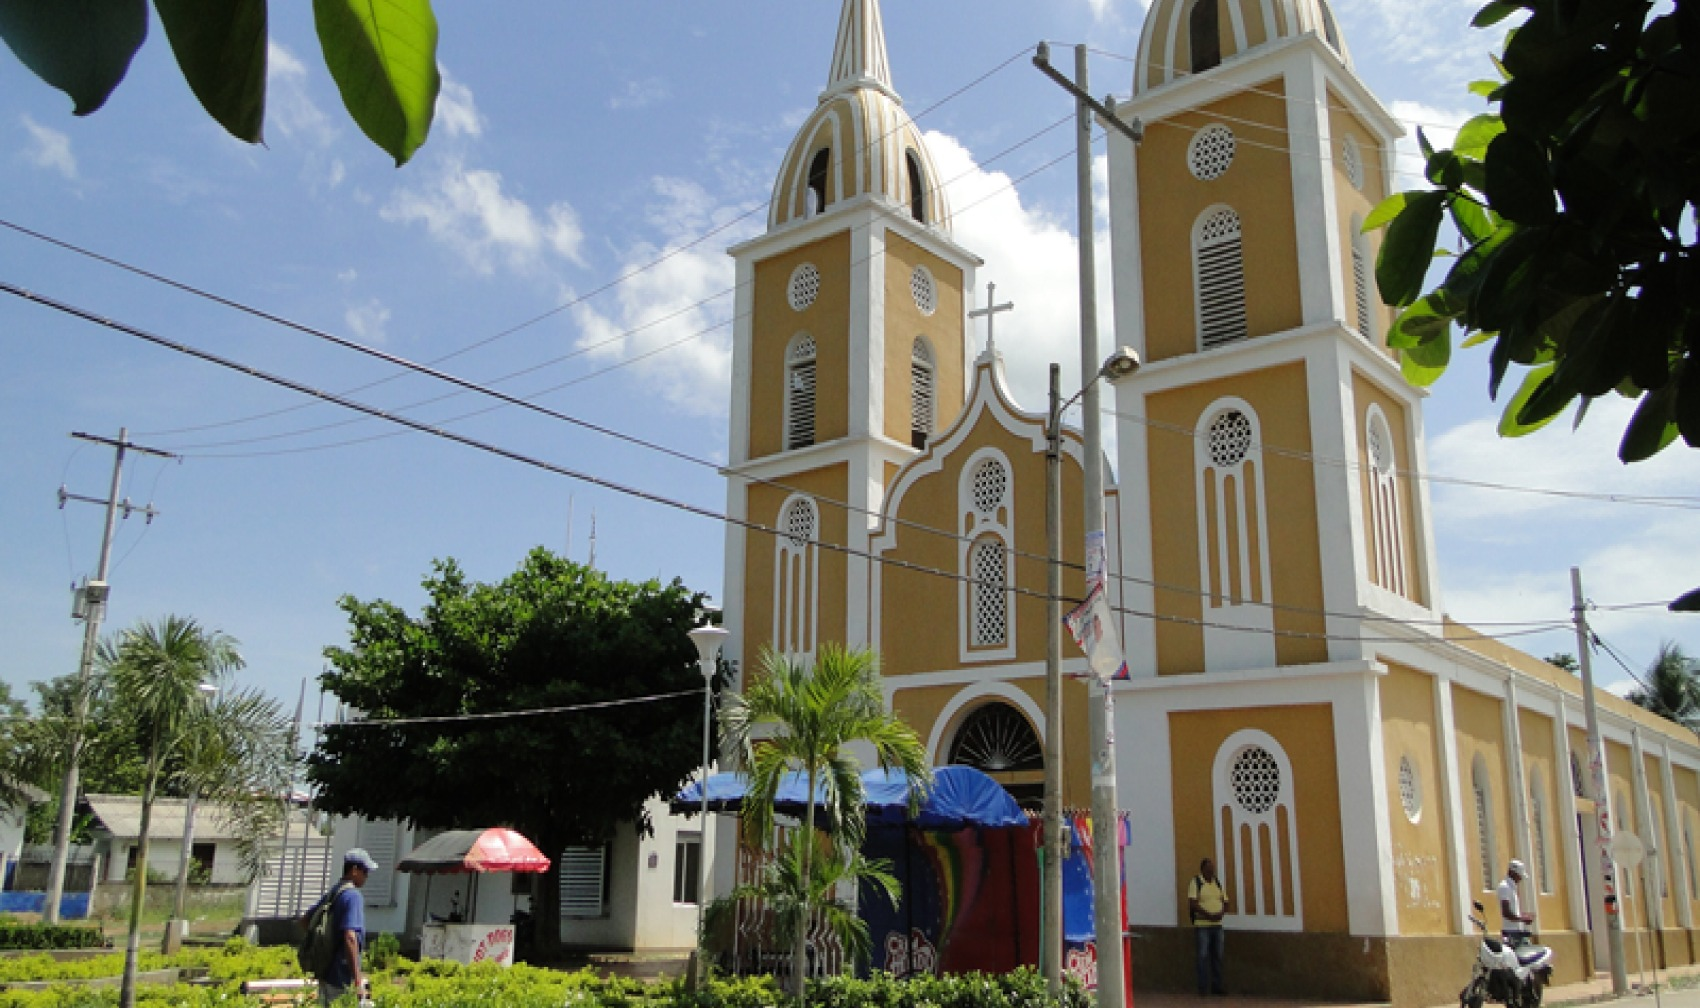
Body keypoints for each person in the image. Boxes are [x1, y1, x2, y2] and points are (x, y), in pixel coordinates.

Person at [309, 848, 376, 1006]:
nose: (367, 876)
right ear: (354, 870)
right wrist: (358, 980)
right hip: (342, 977)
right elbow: (350, 937)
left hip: (326, 972)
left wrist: (323, 946)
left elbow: (306, 920)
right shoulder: (353, 896)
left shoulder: (334, 892)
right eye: (365, 871)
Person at [1187, 857, 1230, 996]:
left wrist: (1221, 913)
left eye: (1212, 868)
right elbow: (1192, 903)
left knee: (1218, 956)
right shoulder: (1196, 882)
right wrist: (1208, 915)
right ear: (1203, 869)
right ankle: (1203, 988)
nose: (1211, 870)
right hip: (1203, 926)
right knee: (1203, 956)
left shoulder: (1217, 883)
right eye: (1209, 867)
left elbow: (1225, 901)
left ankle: (1217, 986)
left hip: (1217, 925)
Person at [1497, 859, 1534, 945]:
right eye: (1519, 876)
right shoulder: (1505, 887)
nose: (1520, 879)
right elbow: (1506, 912)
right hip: (1511, 933)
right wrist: (1522, 919)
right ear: (1513, 873)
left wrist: (1522, 916)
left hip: (1518, 931)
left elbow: (1512, 910)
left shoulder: (1511, 887)